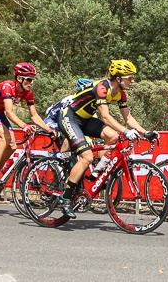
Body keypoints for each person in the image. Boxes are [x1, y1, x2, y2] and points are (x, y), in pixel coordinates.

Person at [54, 60, 158, 218]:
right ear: (118, 78)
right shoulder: (102, 87)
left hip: (86, 119)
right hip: (70, 117)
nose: (132, 81)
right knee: (87, 157)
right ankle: (66, 197)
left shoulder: (121, 94)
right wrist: (126, 131)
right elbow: (105, 116)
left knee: (113, 137)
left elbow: (128, 118)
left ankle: (96, 174)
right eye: (129, 78)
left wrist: (145, 133)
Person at [0, 63, 43, 187]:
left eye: (32, 79)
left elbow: (34, 115)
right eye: (29, 79)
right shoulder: (8, 86)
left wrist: (49, 129)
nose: (31, 82)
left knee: (12, 145)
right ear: (19, 78)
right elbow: (9, 111)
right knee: (5, 137)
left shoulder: (28, 93)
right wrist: (24, 126)